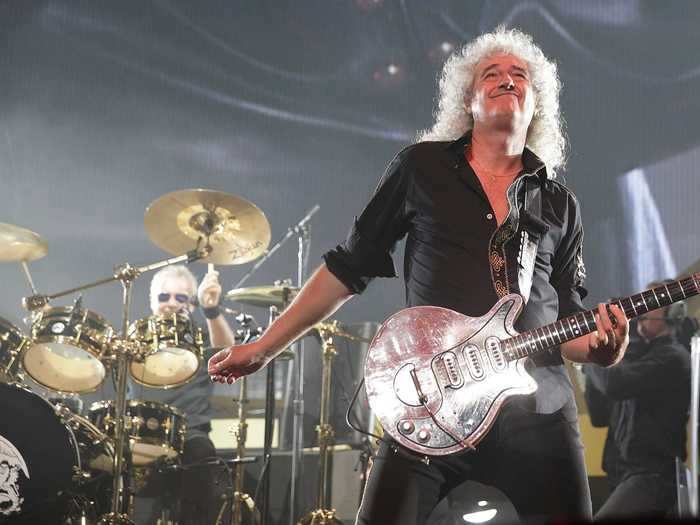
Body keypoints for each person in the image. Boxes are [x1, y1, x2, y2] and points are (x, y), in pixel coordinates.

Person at [209, 27, 629, 524]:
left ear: (536, 103)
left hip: (536, 407)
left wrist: (603, 350)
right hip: (431, 397)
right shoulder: (421, 168)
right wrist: (262, 348)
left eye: (520, 75)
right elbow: (348, 267)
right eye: (490, 74)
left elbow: (566, 317)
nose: (506, 80)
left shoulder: (560, 202)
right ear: (468, 100)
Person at [131, 264, 236, 524]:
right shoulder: (134, 339)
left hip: (190, 434)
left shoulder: (201, 337)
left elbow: (228, 355)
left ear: (192, 303)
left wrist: (211, 310)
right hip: (140, 434)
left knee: (201, 458)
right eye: (164, 296)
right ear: (152, 302)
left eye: (181, 297)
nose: (171, 303)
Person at [584, 283, 691, 521]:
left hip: (652, 478)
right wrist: (605, 346)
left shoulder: (674, 358)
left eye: (651, 303)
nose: (641, 309)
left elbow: (614, 384)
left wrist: (591, 352)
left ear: (672, 314)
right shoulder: (634, 355)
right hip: (620, 476)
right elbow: (599, 416)